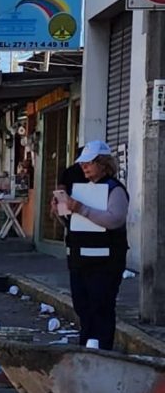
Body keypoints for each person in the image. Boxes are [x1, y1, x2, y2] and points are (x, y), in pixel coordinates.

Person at [58, 140, 130, 350]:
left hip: (105, 263)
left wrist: (81, 209)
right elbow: (73, 223)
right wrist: (61, 211)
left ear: (103, 163)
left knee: (101, 307)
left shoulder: (114, 189)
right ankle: (87, 348)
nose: (84, 167)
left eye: (89, 163)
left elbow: (115, 219)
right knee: (83, 307)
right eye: (82, 163)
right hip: (80, 260)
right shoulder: (82, 189)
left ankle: (103, 350)